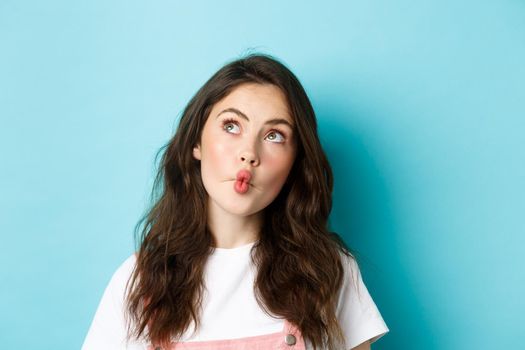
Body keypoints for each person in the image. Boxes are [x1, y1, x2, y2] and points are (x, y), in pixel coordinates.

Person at [82, 53, 389, 350]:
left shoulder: (326, 270)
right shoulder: (140, 279)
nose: (249, 152)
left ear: (295, 161)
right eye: (231, 126)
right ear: (196, 143)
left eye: (274, 135)